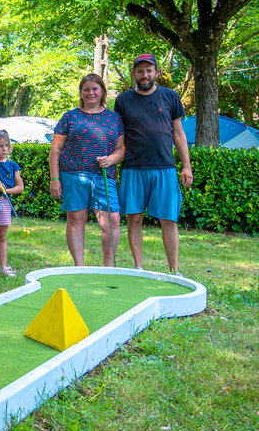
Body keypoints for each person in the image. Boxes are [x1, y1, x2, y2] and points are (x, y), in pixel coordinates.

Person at [113, 54, 193, 273]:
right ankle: (138, 268)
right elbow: (119, 137)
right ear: (134, 74)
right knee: (134, 218)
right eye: (140, 71)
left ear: (156, 72)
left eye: (149, 70)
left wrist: (186, 166)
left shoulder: (170, 96)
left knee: (169, 220)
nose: (144, 75)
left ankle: (174, 270)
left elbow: (179, 134)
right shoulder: (123, 100)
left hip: (165, 168)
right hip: (133, 168)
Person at [49, 74, 125, 266]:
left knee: (112, 219)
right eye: (86, 89)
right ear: (81, 93)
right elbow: (56, 149)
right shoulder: (70, 116)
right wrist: (55, 179)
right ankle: (79, 267)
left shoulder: (114, 118)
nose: (91, 93)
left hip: (103, 176)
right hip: (73, 174)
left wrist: (111, 159)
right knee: (76, 220)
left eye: (95, 89)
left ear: (102, 92)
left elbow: (121, 148)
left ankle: (108, 267)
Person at [0, 129, 24, 277]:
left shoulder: (13, 165)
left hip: (4, 203)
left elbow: (20, 187)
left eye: (6, 145)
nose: (4, 149)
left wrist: (5, 191)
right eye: (0, 146)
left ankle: (3, 267)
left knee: (1, 236)